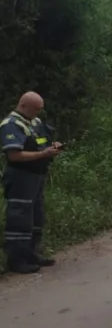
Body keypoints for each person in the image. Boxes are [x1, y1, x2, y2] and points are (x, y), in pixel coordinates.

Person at [1, 92, 62, 274]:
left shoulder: (34, 122)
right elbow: (14, 155)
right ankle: (17, 260)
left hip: (37, 175)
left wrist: (53, 147)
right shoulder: (11, 125)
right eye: (36, 109)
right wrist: (43, 154)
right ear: (23, 105)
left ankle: (32, 254)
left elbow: (40, 143)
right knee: (20, 218)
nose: (38, 113)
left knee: (36, 216)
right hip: (21, 176)